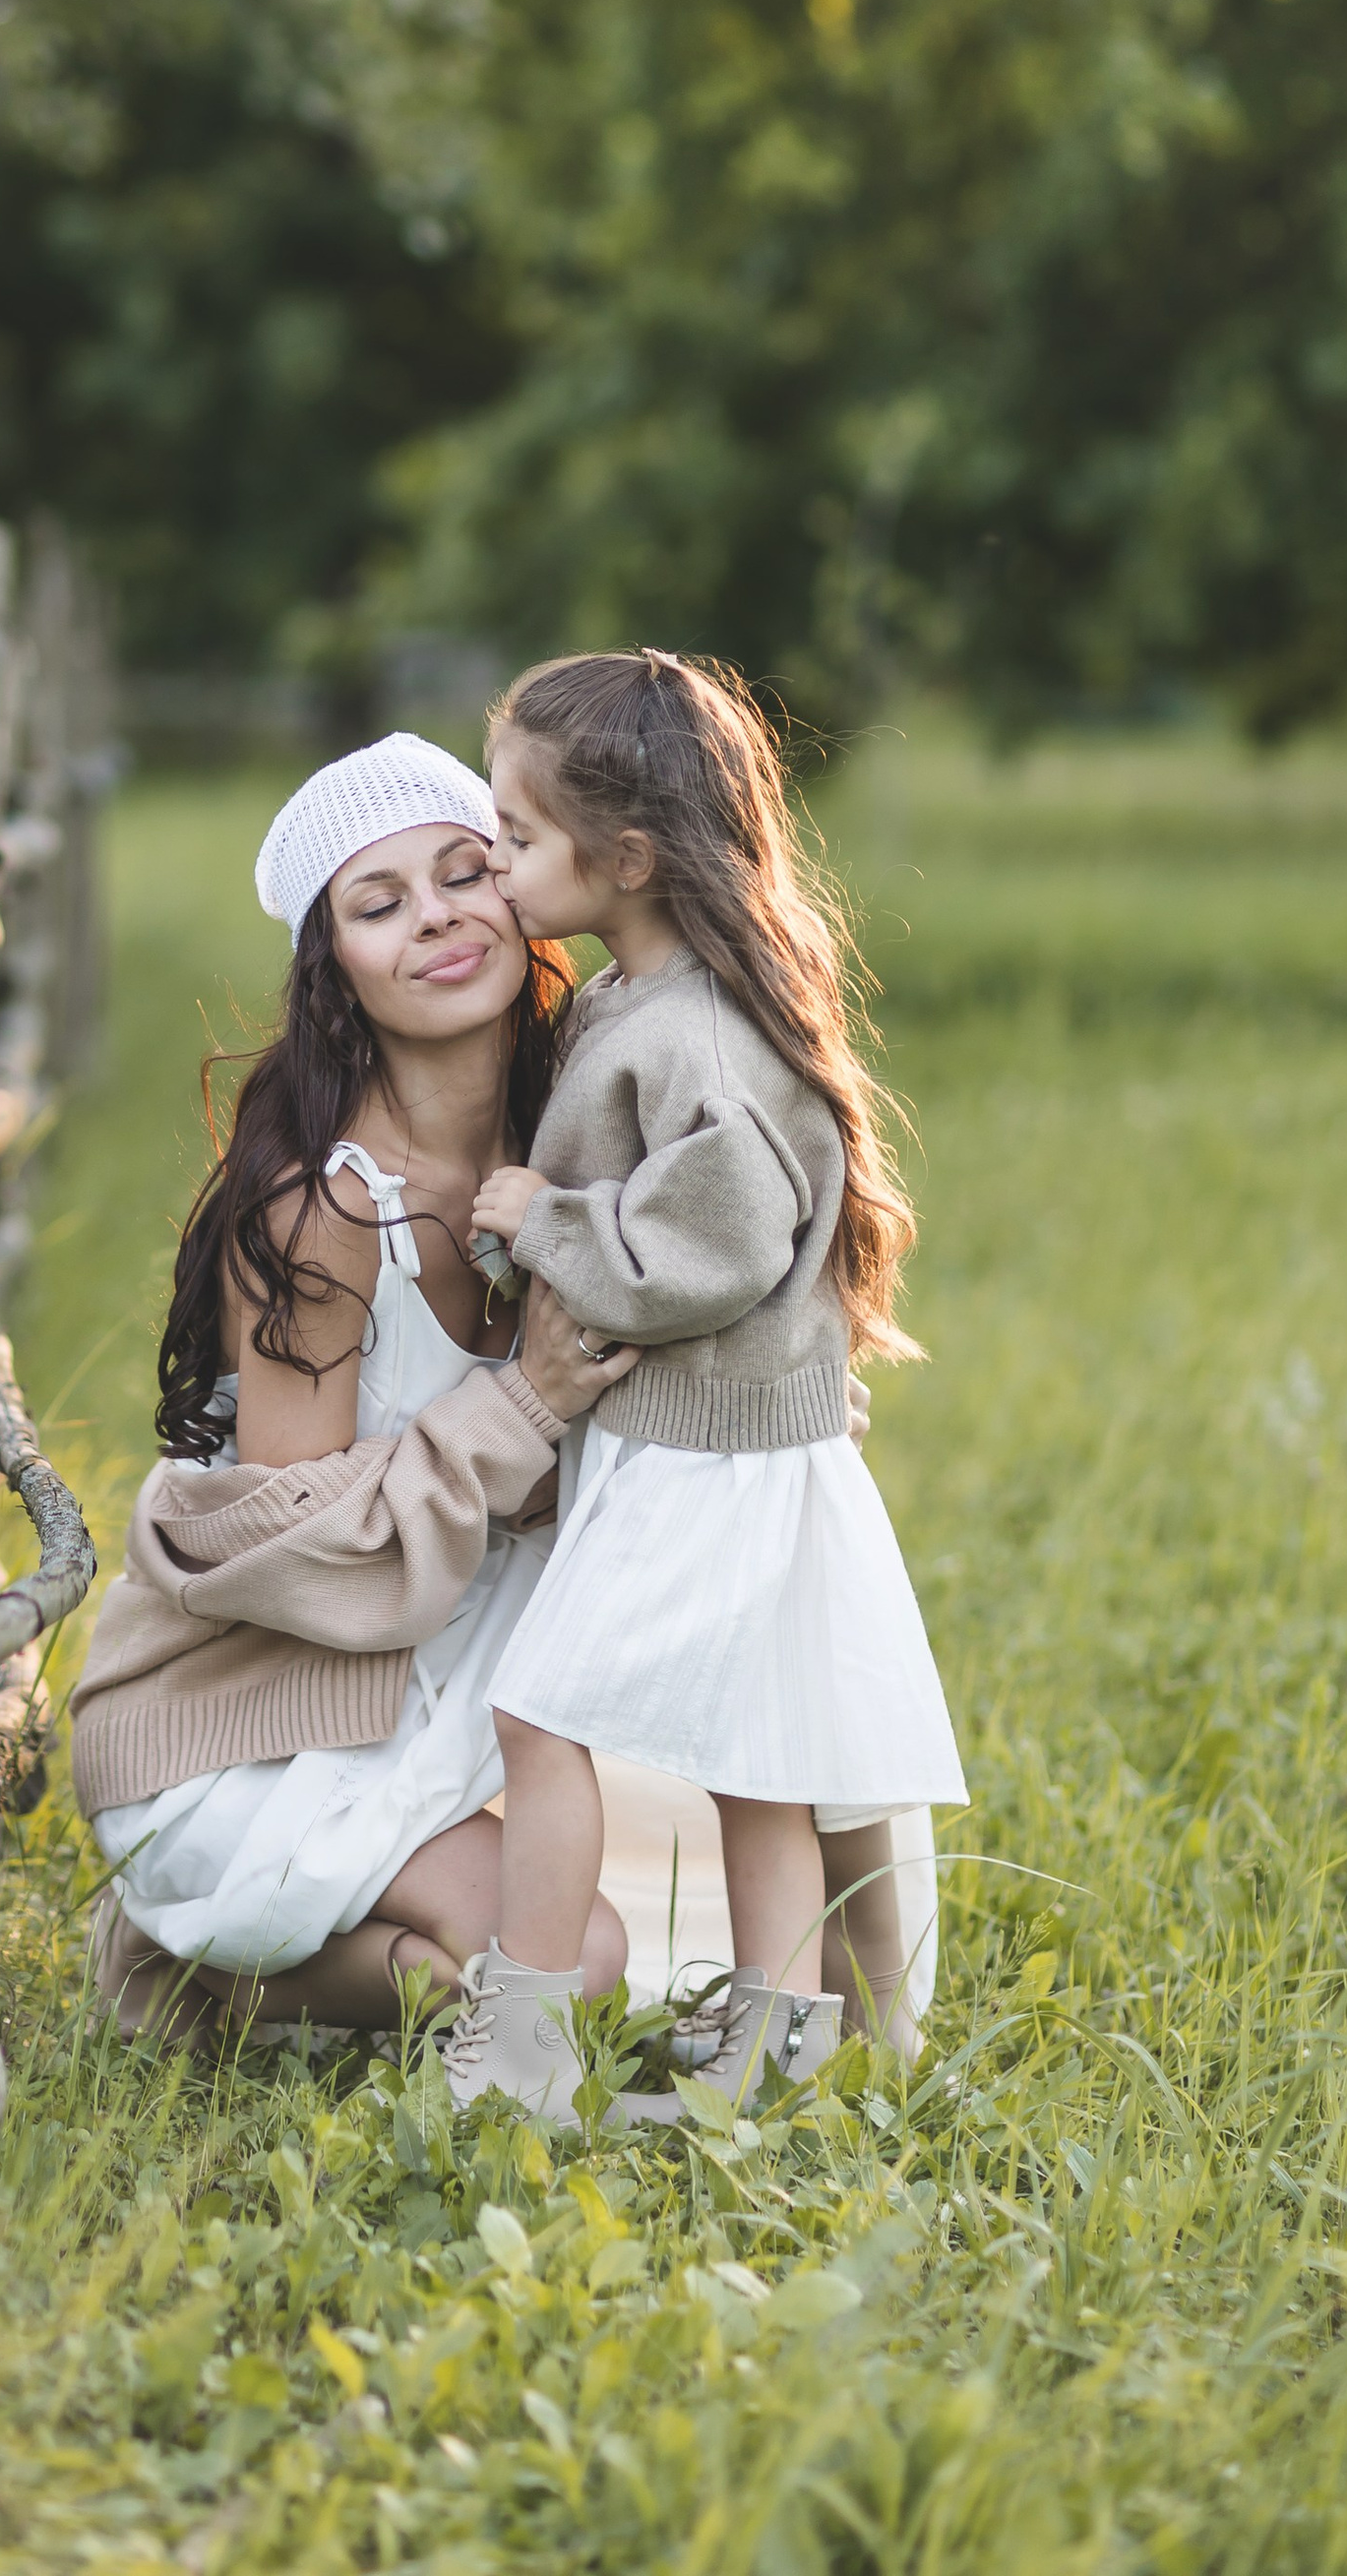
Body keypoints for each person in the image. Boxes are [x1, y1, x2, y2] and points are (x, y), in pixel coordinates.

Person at [454, 648, 967, 2116]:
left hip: (705, 1463)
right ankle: (778, 2040)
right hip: (722, 1449)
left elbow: (725, 1233)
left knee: (543, 1717)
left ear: (622, 857)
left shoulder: (685, 1028)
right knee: (764, 1755)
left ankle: (524, 2049)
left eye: (516, 837)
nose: (496, 865)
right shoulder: (649, 994)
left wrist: (537, 1224)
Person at [69, 733, 643, 2035]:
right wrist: (524, 1403)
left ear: (522, 893)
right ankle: (183, 1969)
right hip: (244, 1729)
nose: (437, 917)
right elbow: (294, 1547)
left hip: (436, 1704)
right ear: (336, 972)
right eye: (381, 904)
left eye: (464, 873)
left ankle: (294, 1936)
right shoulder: (323, 1210)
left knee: (614, 1942)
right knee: (562, 1961)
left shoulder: (572, 1139)